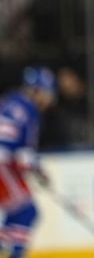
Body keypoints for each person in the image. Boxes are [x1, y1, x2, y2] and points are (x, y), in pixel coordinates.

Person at [0, 66, 57, 258]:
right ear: (38, 91)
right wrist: (39, 172)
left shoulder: (10, 101)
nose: (48, 100)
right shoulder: (29, 109)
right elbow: (24, 155)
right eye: (47, 93)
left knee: (16, 215)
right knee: (28, 212)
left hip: (5, 164)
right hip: (2, 166)